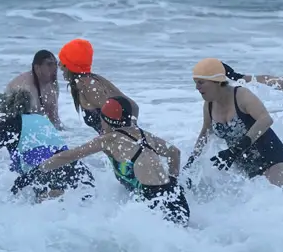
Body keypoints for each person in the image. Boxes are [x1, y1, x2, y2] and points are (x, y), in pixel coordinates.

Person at [13, 96, 190, 225]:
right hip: (176, 198)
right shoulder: (145, 135)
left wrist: (36, 171)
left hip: (154, 203)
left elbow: (68, 156)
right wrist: (174, 180)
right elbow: (175, 153)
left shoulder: (110, 140)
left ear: (106, 120)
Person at [0, 89, 95, 200]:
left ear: (3, 113)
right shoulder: (41, 120)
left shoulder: (10, 125)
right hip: (80, 172)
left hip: (50, 173)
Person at [186, 58, 283, 187]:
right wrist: (191, 163)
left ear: (217, 81)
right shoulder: (209, 105)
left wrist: (235, 150)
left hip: (272, 160)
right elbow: (205, 133)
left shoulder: (241, 95)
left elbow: (266, 119)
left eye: (201, 82)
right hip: (246, 167)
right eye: (195, 83)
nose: (197, 87)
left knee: (275, 201)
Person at [58, 38, 138, 134]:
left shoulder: (89, 87)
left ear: (71, 65)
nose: (59, 65)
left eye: (62, 61)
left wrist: (129, 135)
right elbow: (133, 106)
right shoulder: (90, 81)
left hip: (125, 146)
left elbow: (130, 108)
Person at [4, 50, 63, 129]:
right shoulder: (25, 88)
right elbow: (14, 121)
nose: (54, 68)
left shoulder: (52, 84)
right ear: (37, 68)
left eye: (55, 64)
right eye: (49, 64)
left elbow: (54, 120)